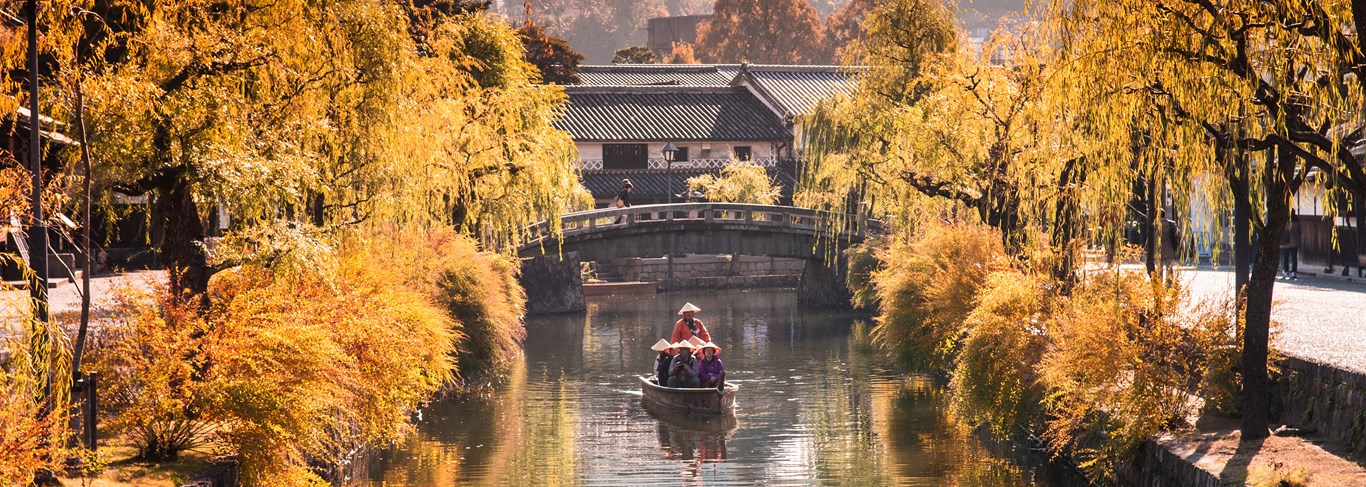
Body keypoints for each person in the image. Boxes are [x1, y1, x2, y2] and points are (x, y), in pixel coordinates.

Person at [1281, 212, 1301, 279]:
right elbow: (1299, 232)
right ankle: (1293, 272)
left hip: (1285, 243)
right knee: (1294, 258)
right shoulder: (1297, 221)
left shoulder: (1284, 221)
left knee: (1285, 258)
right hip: (1295, 243)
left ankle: (1286, 271)